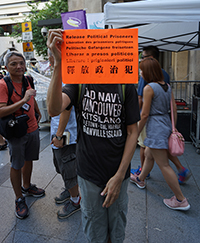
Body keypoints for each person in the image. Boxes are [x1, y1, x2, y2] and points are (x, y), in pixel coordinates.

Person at [46, 29, 140, 243]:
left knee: (116, 231)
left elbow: (133, 131)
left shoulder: (126, 86)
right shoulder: (79, 83)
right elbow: (53, 109)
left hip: (118, 172)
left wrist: (119, 175)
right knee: (95, 231)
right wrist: (58, 65)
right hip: (88, 173)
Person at [131, 57, 190, 211]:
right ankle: (140, 179)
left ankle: (180, 199)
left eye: (142, 70)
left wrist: (136, 132)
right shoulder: (167, 86)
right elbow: (174, 109)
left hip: (155, 127)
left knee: (163, 165)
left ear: (148, 71)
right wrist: (173, 128)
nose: (140, 73)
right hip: (165, 125)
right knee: (150, 154)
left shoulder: (149, 88)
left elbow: (144, 115)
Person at [0, 51, 45, 219]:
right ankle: (19, 199)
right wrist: (24, 101)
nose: (19, 66)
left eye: (21, 63)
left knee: (29, 159)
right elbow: (1, 111)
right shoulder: (3, 85)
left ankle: (27, 186)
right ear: (6, 67)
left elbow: (31, 99)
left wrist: (37, 110)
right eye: (14, 64)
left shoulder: (28, 79)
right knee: (17, 164)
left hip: (32, 128)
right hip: (15, 131)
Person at [48, 49, 80, 219]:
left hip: (67, 134)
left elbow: (66, 109)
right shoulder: (59, 75)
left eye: (52, 54)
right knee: (61, 167)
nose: (49, 58)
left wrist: (59, 135)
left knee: (68, 169)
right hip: (59, 132)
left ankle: (76, 200)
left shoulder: (67, 76)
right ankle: (70, 191)